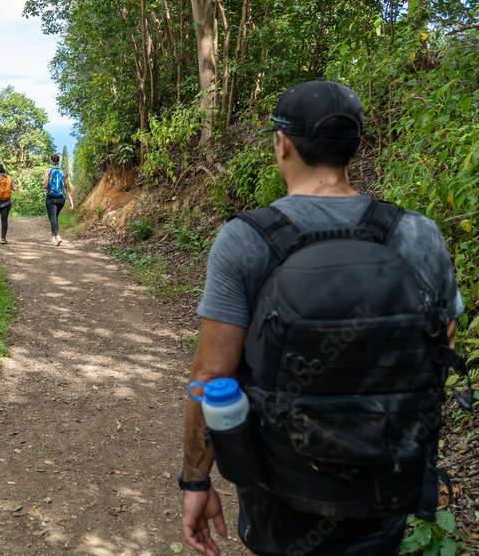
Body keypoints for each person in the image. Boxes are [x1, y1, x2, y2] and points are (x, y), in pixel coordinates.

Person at [181, 79, 464, 556]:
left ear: (283, 143)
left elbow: (212, 375)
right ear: (355, 146)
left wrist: (195, 481)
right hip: (386, 479)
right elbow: (442, 353)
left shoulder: (247, 239)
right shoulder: (416, 234)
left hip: (281, 484)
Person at [43, 152, 74, 246]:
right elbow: (67, 187)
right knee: (55, 217)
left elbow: (45, 185)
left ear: (51, 161)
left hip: (51, 198)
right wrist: (71, 200)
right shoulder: (64, 172)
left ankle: (57, 236)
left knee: (52, 218)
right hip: (61, 198)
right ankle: (53, 239)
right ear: (58, 160)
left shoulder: (48, 171)